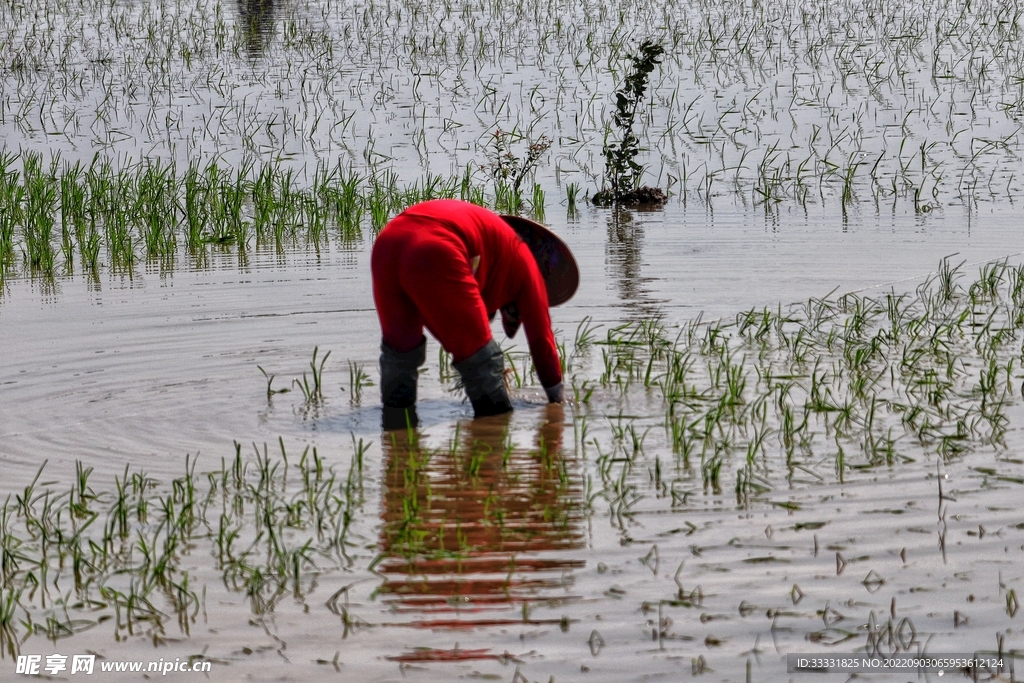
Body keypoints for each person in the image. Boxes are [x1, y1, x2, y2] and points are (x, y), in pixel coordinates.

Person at [371, 199, 578, 429]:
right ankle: (491, 445)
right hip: (438, 246)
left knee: (400, 353)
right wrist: (557, 400)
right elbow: (541, 339)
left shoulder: (495, 246)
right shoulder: (526, 260)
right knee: (483, 362)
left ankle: (396, 441)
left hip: (387, 243)